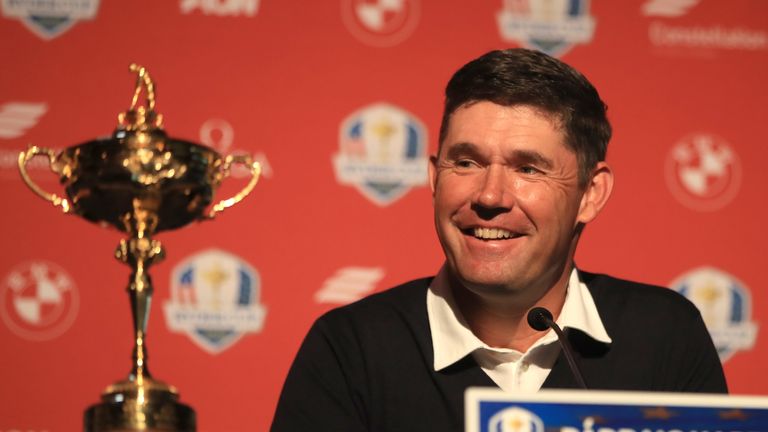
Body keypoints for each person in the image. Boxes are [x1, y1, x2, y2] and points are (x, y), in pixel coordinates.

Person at [271, 48, 727, 431]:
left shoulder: (665, 335)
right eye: (465, 163)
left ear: (591, 193)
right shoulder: (352, 349)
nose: (489, 196)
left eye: (528, 168)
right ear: (433, 177)